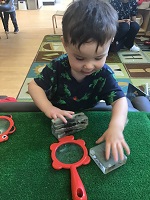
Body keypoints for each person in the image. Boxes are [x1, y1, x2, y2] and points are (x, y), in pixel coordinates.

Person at [28, 0, 130, 162]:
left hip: (87, 116)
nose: (89, 66)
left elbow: (120, 100)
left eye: (98, 57)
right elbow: (34, 86)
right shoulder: (56, 67)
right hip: (58, 118)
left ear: (109, 45)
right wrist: (49, 108)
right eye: (80, 57)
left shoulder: (104, 74)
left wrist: (116, 127)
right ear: (65, 44)